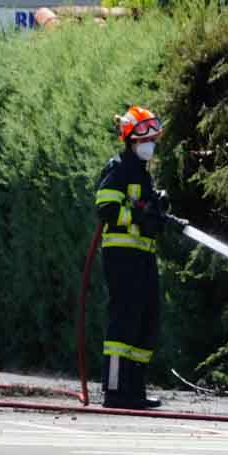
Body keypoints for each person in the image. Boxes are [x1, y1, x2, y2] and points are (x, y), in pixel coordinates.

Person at [94, 106, 175, 410]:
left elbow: (146, 214)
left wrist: (156, 211)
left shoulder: (143, 174)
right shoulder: (118, 169)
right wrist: (139, 216)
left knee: (146, 320)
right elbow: (106, 209)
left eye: (153, 139)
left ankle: (135, 391)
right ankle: (115, 391)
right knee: (123, 321)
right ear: (131, 140)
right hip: (121, 257)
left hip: (143, 257)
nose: (150, 145)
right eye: (146, 140)